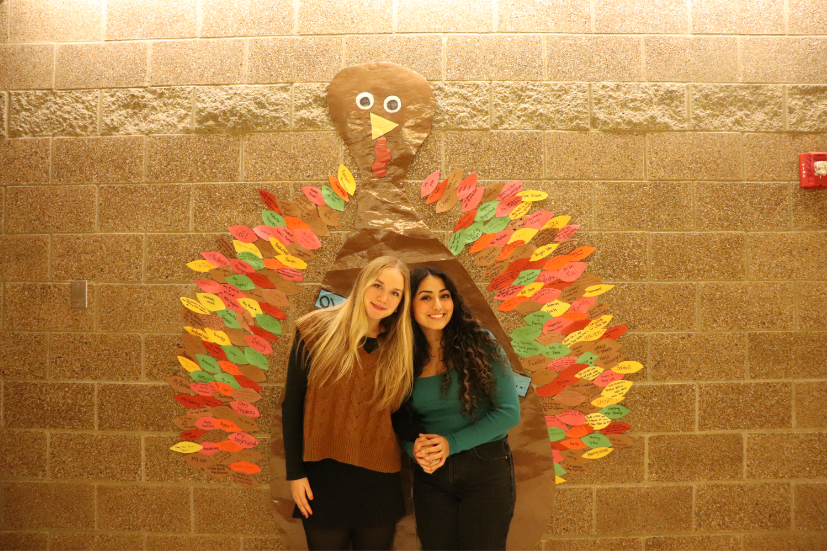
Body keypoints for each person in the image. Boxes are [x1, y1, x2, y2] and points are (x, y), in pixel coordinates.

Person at [281, 256, 415, 550]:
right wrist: (295, 473)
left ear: (402, 302)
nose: (384, 298)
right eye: (378, 285)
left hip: (379, 481)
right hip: (321, 478)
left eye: (395, 293)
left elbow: (403, 417)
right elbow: (292, 406)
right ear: (362, 283)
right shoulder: (314, 331)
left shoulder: (401, 347)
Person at [400, 266, 521, 550]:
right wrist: (413, 450)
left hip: (486, 469)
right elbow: (395, 420)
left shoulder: (481, 342)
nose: (438, 306)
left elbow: (509, 412)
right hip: (431, 476)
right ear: (410, 305)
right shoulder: (401, 355)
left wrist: (450, 443)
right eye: (426, 297)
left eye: (444, 296)